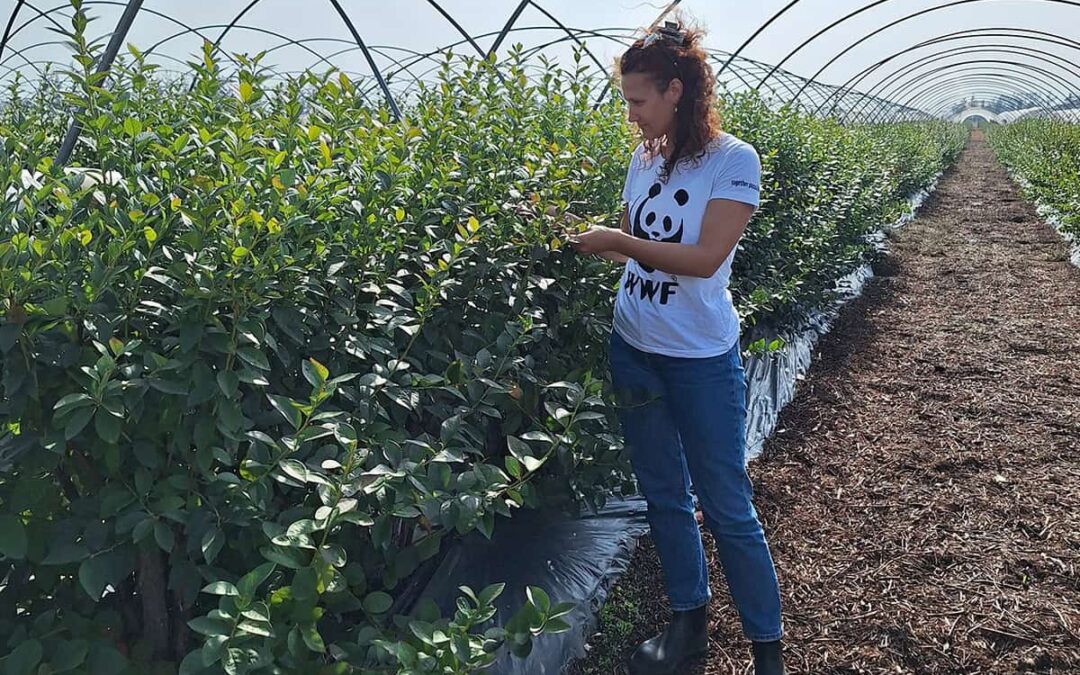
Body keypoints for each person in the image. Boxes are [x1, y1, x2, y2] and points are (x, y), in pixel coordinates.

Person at [567, 18, 786, 675]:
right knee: (664, 496)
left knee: (727, 506)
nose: (630, 114)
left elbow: (702, 257)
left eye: (638, 100)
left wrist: (617, 240)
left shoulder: (733, 161)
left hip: (698, 359)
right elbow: (638, 253)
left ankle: (766, 652)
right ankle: (686, 629)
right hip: (633, 344)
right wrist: (582, 236)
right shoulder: (644, 156)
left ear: (675, 90)